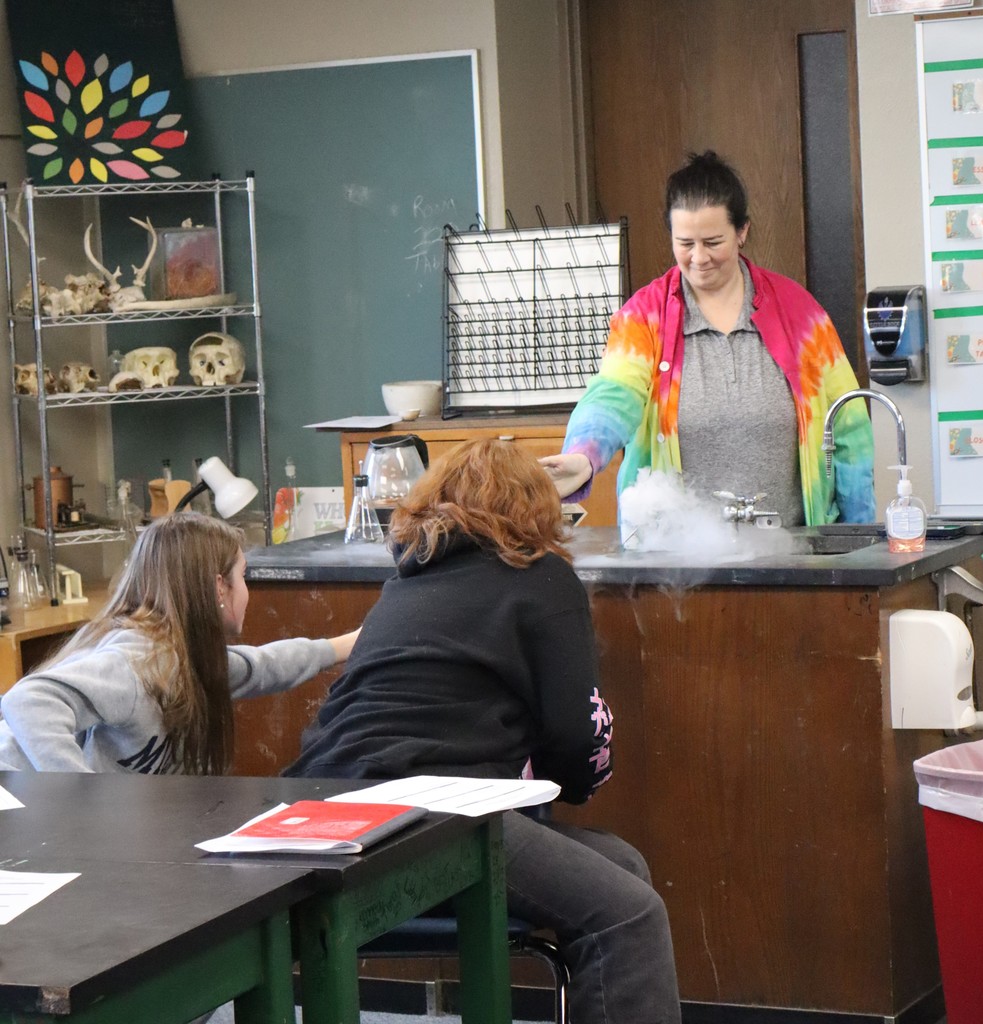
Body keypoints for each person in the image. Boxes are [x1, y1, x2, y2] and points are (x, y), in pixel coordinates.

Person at [285, 438, 681, 1024]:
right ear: (535, 507)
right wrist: (573, 782)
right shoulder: (541, 578)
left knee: (620, 865)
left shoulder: (406, 583)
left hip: (322, 804)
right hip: (428, 812)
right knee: (628, 915)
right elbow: (576, 741)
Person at [541, 150, 875, 528]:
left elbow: (849, 426)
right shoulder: (644, 317)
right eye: (685, 243)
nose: (698, 258)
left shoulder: (799, 313)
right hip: (675, 561)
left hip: (796, 555)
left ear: (742, 231)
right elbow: (613, 393)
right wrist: (584, 455)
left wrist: (861, 539)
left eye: (713, 242)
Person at [0, 512, 359, 774]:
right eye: (243, 575)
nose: (247, 590)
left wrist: (345, 646)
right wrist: (82, 801)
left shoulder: (185, 660)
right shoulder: (138, 662)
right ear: (220, 587)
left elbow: (264, 665)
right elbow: (27, 700)